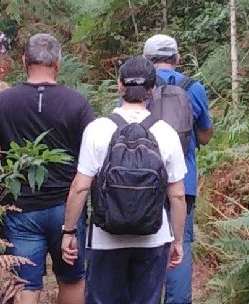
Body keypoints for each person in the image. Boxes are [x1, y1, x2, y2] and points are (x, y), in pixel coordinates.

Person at [0, 34, 97, 304]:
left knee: (25, 284)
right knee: (72, 278)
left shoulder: (3, 102)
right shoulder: (78, 103)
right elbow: (93, 157)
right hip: (67, 208)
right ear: (58, 63)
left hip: (20, 208)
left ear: (24, 60)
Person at [60, 57, 188, 304]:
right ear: (152, 90)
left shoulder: (97, 129)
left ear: (119, 85)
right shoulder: (166, 132)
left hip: (105, 238)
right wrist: (178, 240)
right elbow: (178, 195)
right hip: (154, 238)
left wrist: (68, 231)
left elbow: (80, 187)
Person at [140, 34, 212, 304]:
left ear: (146, 60)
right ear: (177, 58)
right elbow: (205, 136)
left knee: (146, 248)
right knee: (180, 246)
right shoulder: (194, 88)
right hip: (184, 181)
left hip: (144, 181)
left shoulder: (139, 86)